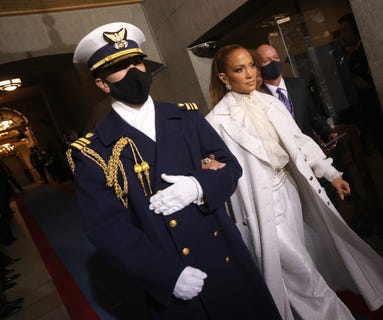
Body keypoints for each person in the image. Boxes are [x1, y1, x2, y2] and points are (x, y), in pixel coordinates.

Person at [68, 22, 282, 320]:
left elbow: (230, 167)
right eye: (119, 66)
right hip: (176, 278)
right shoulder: (93, 152)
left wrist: (199, 186)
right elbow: (107, 228)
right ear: (103, 83)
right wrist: (165, 276)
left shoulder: (186, 116)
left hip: (225, 256)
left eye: (137, 62)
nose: (134, 72)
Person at [206, 44, 383, 320]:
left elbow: (300, 141)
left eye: (252, 65)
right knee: (302, 272)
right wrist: (210, 168)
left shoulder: (270, 102)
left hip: (290, 195)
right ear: (224, 77)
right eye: (239, 69)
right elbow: (214, 168)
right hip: (259, 207)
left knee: (298, 274)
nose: (251, 74)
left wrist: (331, 173)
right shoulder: (215, 122)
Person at [338, 13, 383, 233]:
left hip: (380, 115)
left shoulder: (364, 52)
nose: (342, 35)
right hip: (368, 120)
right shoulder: (349, 55)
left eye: (345, 30)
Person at [253, 44, 338, 149]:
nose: (274, 63)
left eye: (276, 58)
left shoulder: (299, 85)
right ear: (258, 67)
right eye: (267, 61)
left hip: (311, 149)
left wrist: (327, 134)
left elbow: (314, 117)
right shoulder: (259, 96)